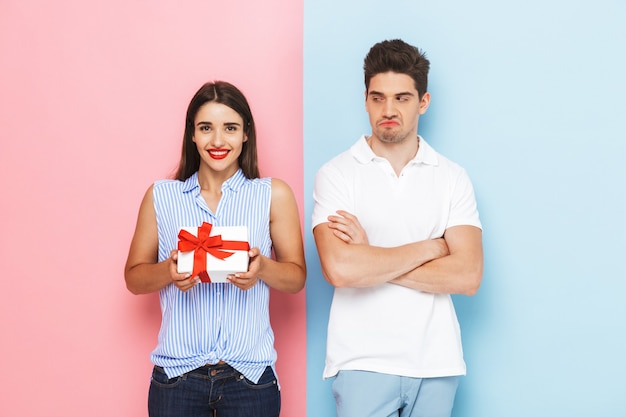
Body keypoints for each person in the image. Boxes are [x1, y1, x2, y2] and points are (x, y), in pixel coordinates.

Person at [312, 39, 483, 417]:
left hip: (437, 362)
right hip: (361, 361)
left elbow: (468, 275)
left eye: (402, 98)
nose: (388, 110)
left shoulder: (453, 177)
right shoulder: (337, 174)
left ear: (423, 102)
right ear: (366, 99)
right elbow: (341, 269)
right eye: (378, 98)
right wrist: (431, 247)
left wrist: (371, 257)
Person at [125, 80, 306, 417]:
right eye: (206, 128)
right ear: (192, 134)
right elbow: (134, 279)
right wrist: (169, 271)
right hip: (176, 379)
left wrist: (262, 268)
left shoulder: (273, 195)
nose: (218, 141)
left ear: (246, 134)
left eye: (231, 128)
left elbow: (296, 278)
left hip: (250, 378)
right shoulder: (162, 197)